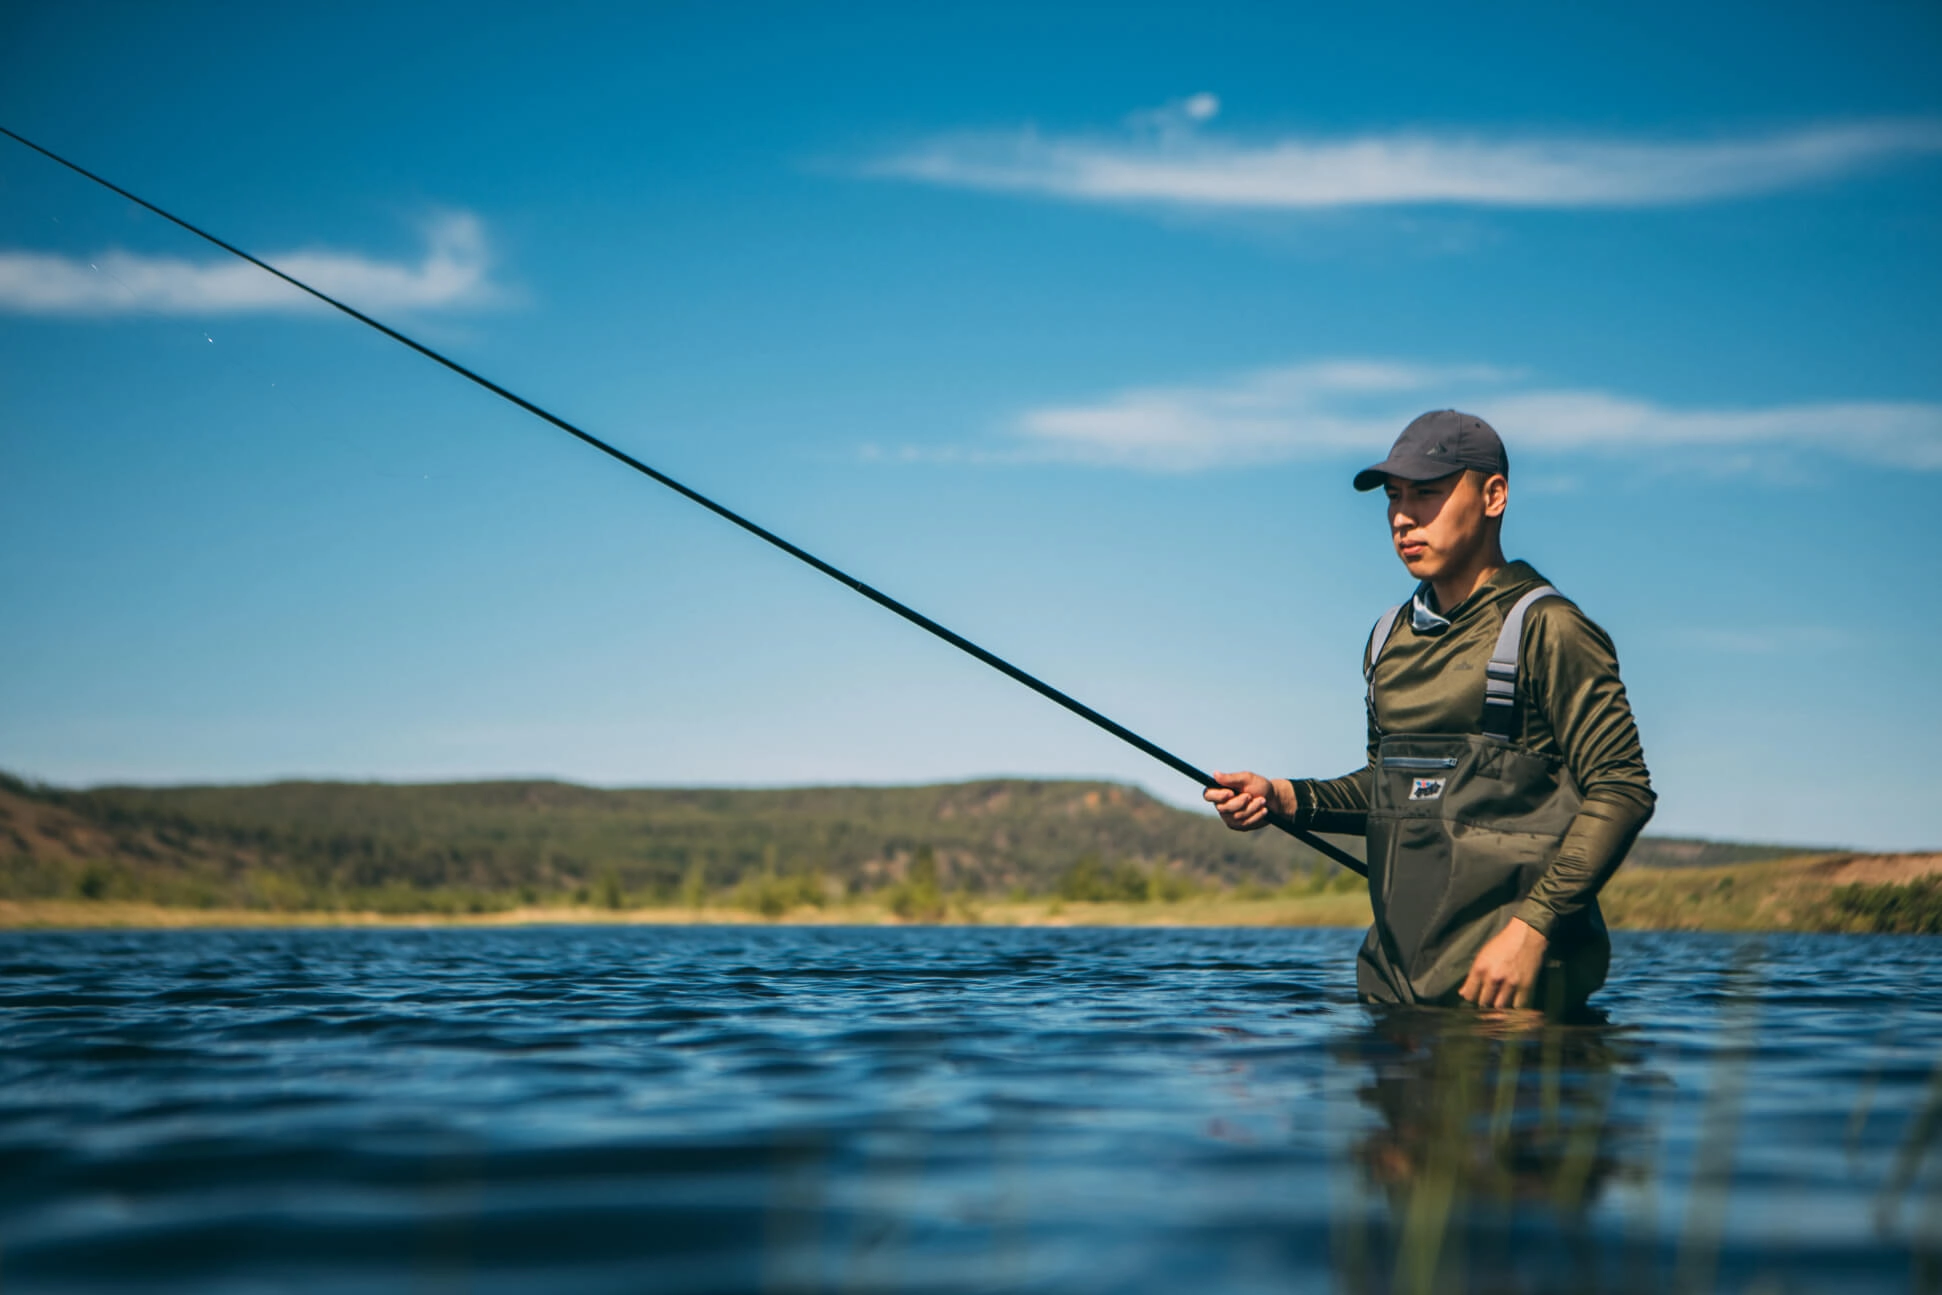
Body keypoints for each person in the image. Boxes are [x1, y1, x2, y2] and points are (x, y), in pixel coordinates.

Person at [1205, 411, 1654, 1011]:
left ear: (1494, 496)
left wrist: (1533, 929)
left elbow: (1622, 787)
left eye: (1427, 493)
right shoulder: (1386, 639)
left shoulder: (1550, 627)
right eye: (1394, 497)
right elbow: (1397, 789)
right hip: (1393, 998)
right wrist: (1285, 798)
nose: (1402, 516)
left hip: (1518, 1002)